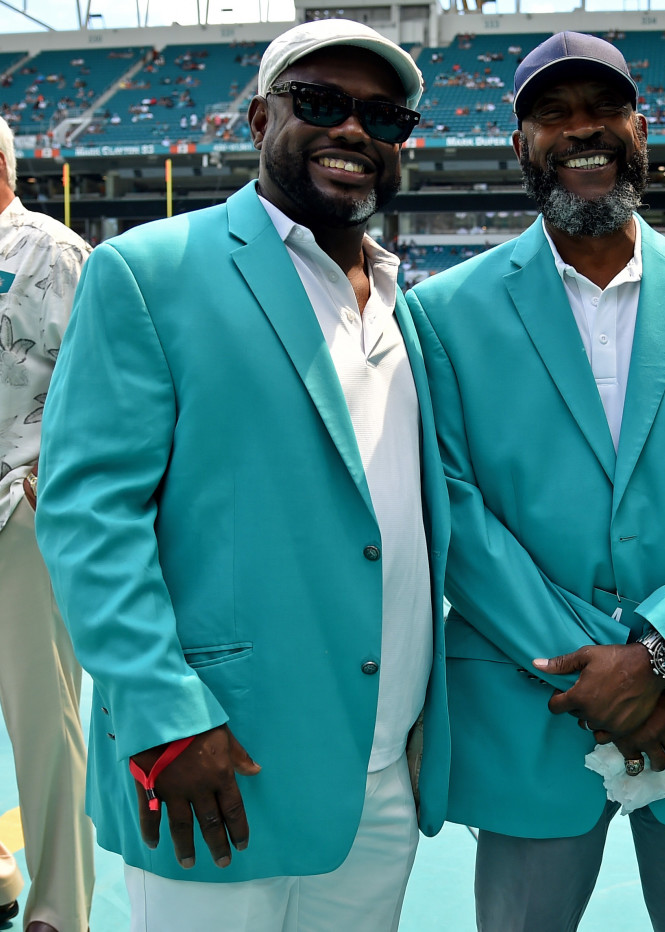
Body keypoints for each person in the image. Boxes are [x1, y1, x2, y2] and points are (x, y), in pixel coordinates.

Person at [35, 19, 449, 932]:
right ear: (259, 118)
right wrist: (166, 719)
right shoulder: (149, 272)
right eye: (321, 103)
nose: (353, 131)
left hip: (377, 768)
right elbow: (88, 516)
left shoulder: (398, 301)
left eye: (382, 116)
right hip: (218, 758)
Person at [407, 32, 665, 932]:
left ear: (640, 128)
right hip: (532, 696)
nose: (583, 132)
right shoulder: (443, 312)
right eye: (553, 114)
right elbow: (454, 508)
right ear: (519, 144)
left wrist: (656, 655)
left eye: (603, 110)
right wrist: (597, 676)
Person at [0, 114, 93, 932]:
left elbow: (94, 380)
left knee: (42, 722)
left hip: (15, 511)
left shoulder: (51, 252)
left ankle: (59, 911)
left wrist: (46, 479)